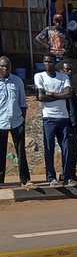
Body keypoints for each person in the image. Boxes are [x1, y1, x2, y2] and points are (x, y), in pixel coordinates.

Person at [35, 55, 73, 187]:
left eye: (50, 61)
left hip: (64, 117)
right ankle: (51, 177)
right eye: (45, 61)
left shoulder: (63, 77)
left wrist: (51, 94)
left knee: (67, 148)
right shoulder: (39, 76)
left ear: (54, 62)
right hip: (49, 118)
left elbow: (68, 94)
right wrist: (59, 96)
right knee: (49, 148)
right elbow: (40, 97)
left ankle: (67, 177)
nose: (47, 63)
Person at [0, 56, 31, 188]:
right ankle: (0, 181)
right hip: (0, 122)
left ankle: (25, 180)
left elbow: (23, 103)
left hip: (17, 121)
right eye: (2, 66)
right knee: (0, 153)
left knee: (21, 152)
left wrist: (22, 120)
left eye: (7, 66)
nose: (5, 68)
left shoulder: (17, 81)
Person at [60, 62, 77, 182]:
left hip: (74, 124)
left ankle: (72, 173)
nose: (69, 72)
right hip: (66, 124)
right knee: (68, 149)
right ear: (62, 71)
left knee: (74, 148)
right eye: (66, 70)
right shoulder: (62, 88)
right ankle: (66, 174)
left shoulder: (71, 88)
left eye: (70, 70)